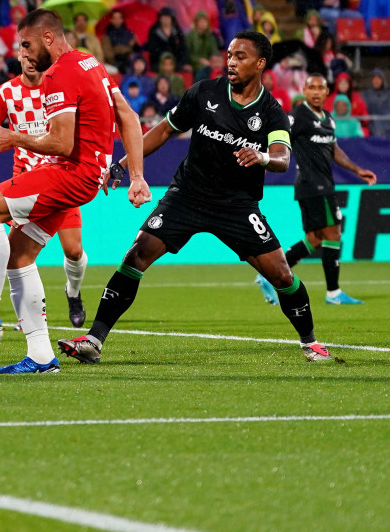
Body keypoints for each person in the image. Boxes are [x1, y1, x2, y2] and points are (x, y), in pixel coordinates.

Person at [60, 32, 333, 367]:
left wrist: (261, 157)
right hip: (187, 195)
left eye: (241, 56)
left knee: (281, 276)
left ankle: (311, 342)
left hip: (236, 205)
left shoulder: (271, 112)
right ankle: (93, 340)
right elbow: (163, 130)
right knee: (137, 255)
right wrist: (122, 165)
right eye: (230, 54)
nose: (231, 62)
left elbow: (282, 158)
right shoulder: (205, 92)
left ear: (260, 63)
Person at [0, 9, 149, 373]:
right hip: (87, 174)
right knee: (18, 254)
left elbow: (60, 142)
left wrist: (15, 137)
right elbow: (130, 117)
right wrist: (135, 174)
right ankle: (41, 356)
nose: (23, 53)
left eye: (27, 44)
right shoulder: (90, 62)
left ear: (47, 38)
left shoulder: (58, 73)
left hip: (72, 172)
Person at [0, 13, 95, 330]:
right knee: (15, 254)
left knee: (74, 251)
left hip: (61, 182)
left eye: (32, 51)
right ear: (20, 56)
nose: (29, 59)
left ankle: (72, 293)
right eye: (23, 52)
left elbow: (75, 137)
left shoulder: (60, 89)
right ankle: (15, 317)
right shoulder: (6, 93)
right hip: (26, 183)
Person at [254, 74, 377, 307]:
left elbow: (333, 148)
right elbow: (278, 137)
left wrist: (357, 170)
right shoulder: (298, 115)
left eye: (321, 88)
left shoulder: (328, 119)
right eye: (312, 88)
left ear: (327, 92)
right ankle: (333, 292)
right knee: (333, 234)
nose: (317, 92)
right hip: (313, 184)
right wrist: (265, 162)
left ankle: (268, 275)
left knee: (315, 239)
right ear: (305, 90)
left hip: (317, 185)